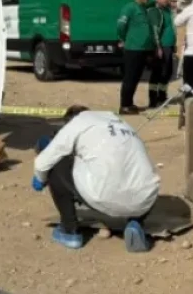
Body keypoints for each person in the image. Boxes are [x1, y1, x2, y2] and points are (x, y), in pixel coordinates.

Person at [32, 105, 160, 252]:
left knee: (56, 162)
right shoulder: (116, 120)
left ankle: (69, 231)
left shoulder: (77, 122)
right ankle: (136, 223)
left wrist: (40, 178)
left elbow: (43, 162)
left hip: (102, 195)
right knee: (138, 178)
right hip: (145, 198)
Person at [116, 0, 155, 115]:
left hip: (144, 49)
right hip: (133, 48)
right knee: (130, 77)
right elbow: (121, 25)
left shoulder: (144, 9)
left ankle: (130, 103)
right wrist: (122, 38)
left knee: (136, 77)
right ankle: (125, 105)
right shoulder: (130, 8)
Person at [147, 0, 177, 108]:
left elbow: (172, 29)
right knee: (157, 73)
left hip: (169, 45)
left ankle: (162, 96)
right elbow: (154, 30)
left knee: (167, 72)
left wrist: (173, 45)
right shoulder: (155, 11)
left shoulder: (168, 11)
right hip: (161, 46)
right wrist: (158, 46)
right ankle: (153, 100)